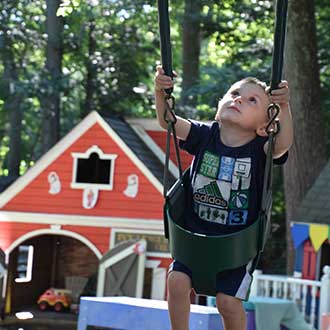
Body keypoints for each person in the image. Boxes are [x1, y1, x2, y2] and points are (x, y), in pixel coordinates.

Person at [154, 65, 293, 330]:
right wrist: (161, 91)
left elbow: (284, 142)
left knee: (227, 303)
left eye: (252, 100)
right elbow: (167, 120)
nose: (239, 98)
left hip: (236, 247)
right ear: (219, 106)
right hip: (194, 236)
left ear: (265, 126)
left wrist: (284, 107)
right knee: (176, 282)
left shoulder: (261, 149)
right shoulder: (204, 136)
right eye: (235, 93)